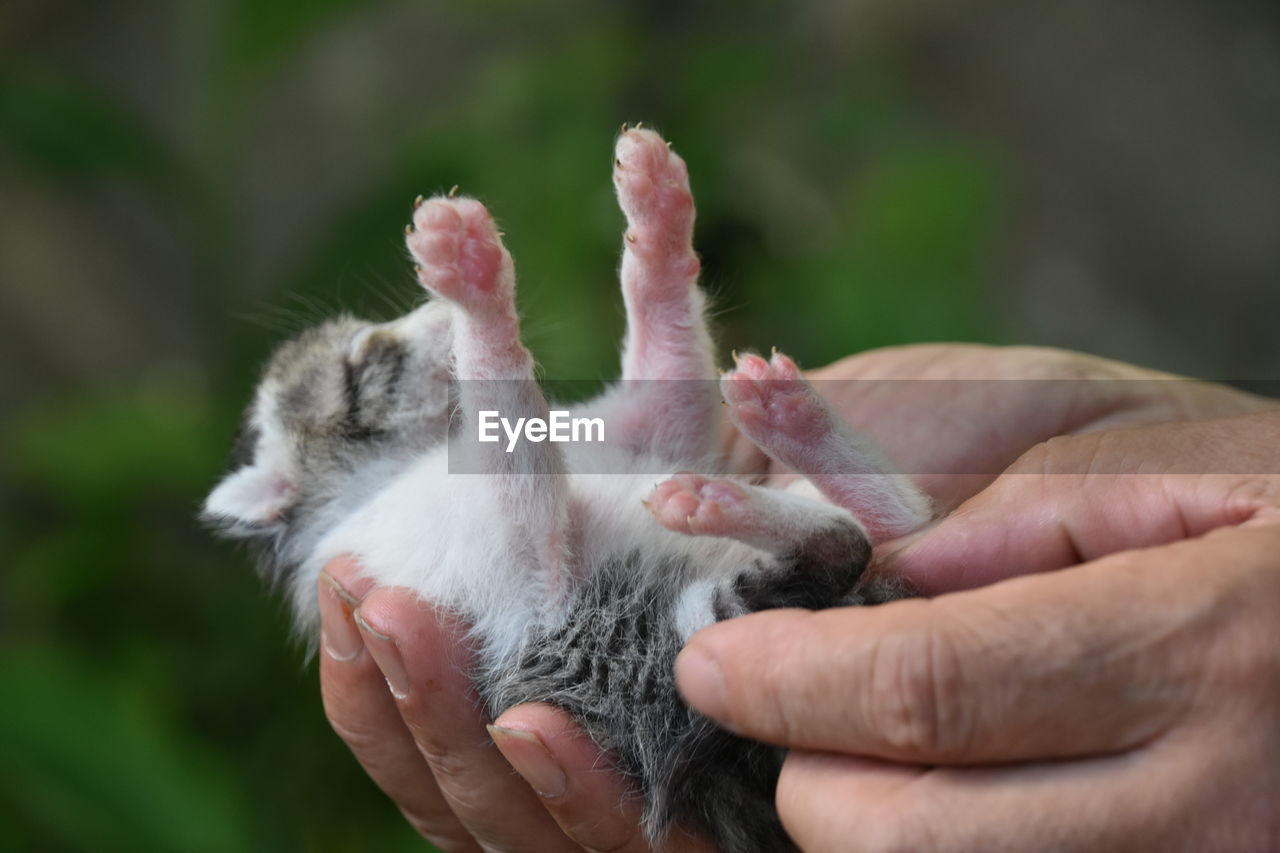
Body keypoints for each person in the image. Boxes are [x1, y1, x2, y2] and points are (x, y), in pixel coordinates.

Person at [314, 344, 1280, 852]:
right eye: (358, 365)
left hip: (717, 612)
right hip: (689, 646)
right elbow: (528, 488)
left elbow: (655, 420)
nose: (397, 342)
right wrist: (484, 320)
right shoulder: (397, 519)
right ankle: (813, 529)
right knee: (799, 616)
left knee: (873, 577)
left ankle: (816, 524)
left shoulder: (423, 510)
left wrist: (653, 268)